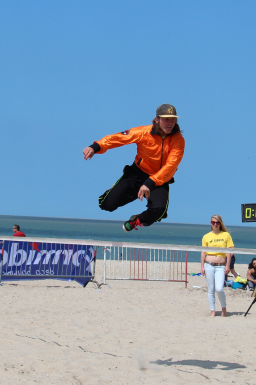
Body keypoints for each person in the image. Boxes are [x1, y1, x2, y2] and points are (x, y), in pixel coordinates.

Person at [83, 103, 185, 232]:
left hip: (159, 180)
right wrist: (96, 147)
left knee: (159, 210)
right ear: (157, 119)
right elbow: (119, 138)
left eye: (173, 119)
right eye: (166, 119)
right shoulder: (143, 132)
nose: (170, 123)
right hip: (136, 175)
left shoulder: (178, 140)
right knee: (106, 205)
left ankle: (136, 220)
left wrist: (149, 183)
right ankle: (114, 191)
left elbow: (171, 165)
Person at [200, 214, 234, 317]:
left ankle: (223, 308)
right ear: (211, 223)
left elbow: (230, 251)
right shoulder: (206, 236)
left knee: (219, 288)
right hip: (209, 265)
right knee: (211, 289)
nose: (215, 224)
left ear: (220, 223)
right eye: (213, 222)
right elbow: (203, 252)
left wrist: (227, 265)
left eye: (217, 222)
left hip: (221, 265)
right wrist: (202, 266)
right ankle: (213, 311)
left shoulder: (226, 235)